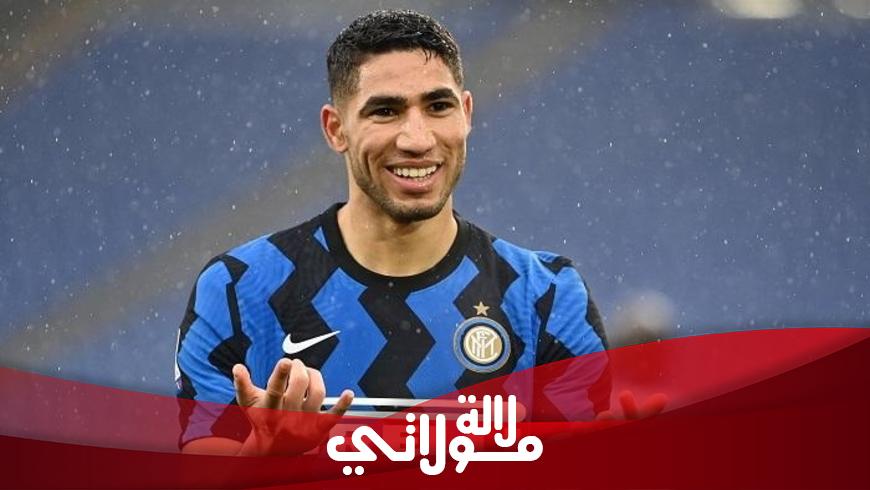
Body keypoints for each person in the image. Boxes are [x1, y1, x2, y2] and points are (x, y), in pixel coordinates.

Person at [175, 9, 609, 456]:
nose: (417, 139)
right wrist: (264, 456)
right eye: (385, 111)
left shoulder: (546, 296)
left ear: (466, 113)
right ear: (336, 129)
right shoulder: (240, 288)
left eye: (438, 106)